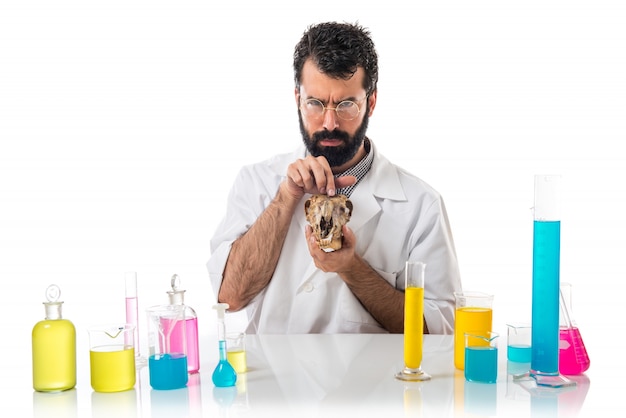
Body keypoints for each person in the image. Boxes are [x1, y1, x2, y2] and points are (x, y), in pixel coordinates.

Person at [207, 21, 462, 334]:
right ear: (297, 98)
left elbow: (439, 333)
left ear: (370, 102)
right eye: (315, 103)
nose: (329, 122)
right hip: (273, 381)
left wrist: (352, 268)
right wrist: (287, 197)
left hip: (375, 382)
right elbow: (229, 298)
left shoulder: (421, 205)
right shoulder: (257, 182)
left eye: (346, 105)